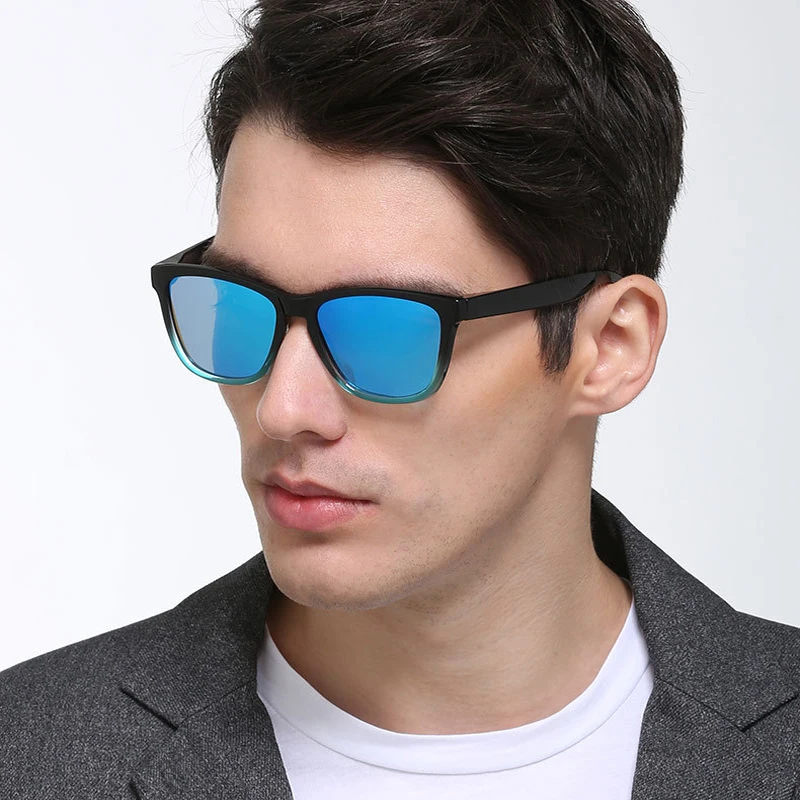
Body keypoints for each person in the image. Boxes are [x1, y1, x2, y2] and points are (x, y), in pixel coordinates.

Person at [2, 0, 798, 797]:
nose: (283, 409)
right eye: (242, 307)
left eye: (386, 332)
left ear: (611, 348)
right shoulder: (31, 755)